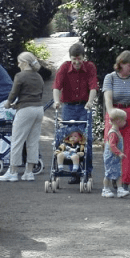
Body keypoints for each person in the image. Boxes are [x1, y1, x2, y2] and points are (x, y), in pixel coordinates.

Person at [52, 42, 99, 184]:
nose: (77, 62)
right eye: (74, 59)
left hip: (84, 107)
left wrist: (90, 102)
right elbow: (56, 86)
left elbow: (93, 87)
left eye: (79, 59)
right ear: (70, 58)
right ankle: (75, 172)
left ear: (83, 57)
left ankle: (87, 171)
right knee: (70, 139)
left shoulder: (90, 67)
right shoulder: (64, 68)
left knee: (86, 139)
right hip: (69, 107)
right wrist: (56, 101)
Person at [103, 50, 130, 197]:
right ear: (120, 63)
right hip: (115, 112)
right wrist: (111, 114)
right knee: (112, 147)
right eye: (129, 65)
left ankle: (125, 182)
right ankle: (113, 179)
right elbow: (108, 98)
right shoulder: (110, 78)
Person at [0, 52, 44, 182]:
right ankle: (29, 172)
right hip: (38, 110)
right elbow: (36, 95)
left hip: (25, 111)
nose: (18, 65)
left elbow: (14, 92)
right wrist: (17, 105)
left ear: (24, 62)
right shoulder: (39, 77)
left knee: (17, 141)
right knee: (33, 142)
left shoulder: (20, 76)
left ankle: (13, 172)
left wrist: (8, 103)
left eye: (19, 62)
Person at [102, 108, 127, 198]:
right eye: (124, 120)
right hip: (111, 157)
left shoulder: (117, 132)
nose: (125, 122)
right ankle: (105, 189)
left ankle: (120, 189)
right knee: (108, 173)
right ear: (117, 121)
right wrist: (119, 153)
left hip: (115, 157)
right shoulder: (113, 133)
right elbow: (112, 146)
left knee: (118, 173)